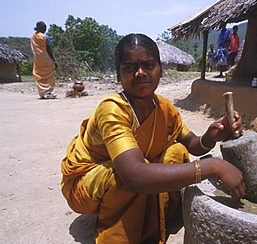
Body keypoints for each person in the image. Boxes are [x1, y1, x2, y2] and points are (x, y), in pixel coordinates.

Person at [61, 33, 246, 243]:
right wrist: (212, 167)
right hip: (86, 186)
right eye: (129, 68)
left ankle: (161, 218)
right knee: (123, 174)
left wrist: (213, 135)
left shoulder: (163, 107)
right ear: (118, 75)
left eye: (149, 65)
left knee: (176, 152)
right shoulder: (112, 110)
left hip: (130, 177)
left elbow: (192, 145)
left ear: (161, 70)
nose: (140, 73)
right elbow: (134, 176)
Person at [30, 21, 58, 99]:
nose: (45, 29)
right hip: (46, 59)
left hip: (37, 59)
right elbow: (48, 49)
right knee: (49, 76)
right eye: (44, 28)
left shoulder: (33, 37)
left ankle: (42, 93)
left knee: (40, 76)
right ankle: (48, 92)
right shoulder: (45, 37)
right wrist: (54, 60)